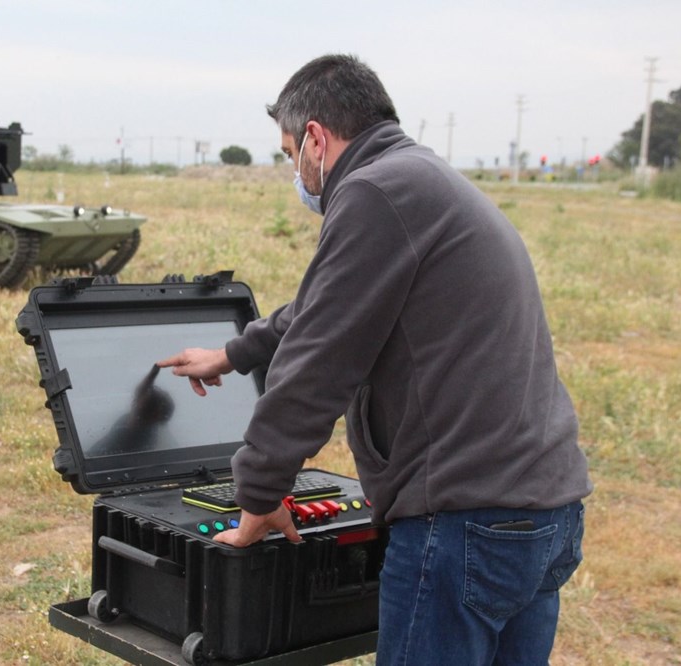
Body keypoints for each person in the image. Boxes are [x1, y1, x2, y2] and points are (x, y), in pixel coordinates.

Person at [157, 54, 592, 665]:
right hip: (543, 512)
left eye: (289, 154)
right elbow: (323, 307)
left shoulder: (373, 192)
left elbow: (317, 365)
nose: (296, 172)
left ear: (316, 139)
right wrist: (231, 354)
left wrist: (258, 494)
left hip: (466, 521)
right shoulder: (417, 178)